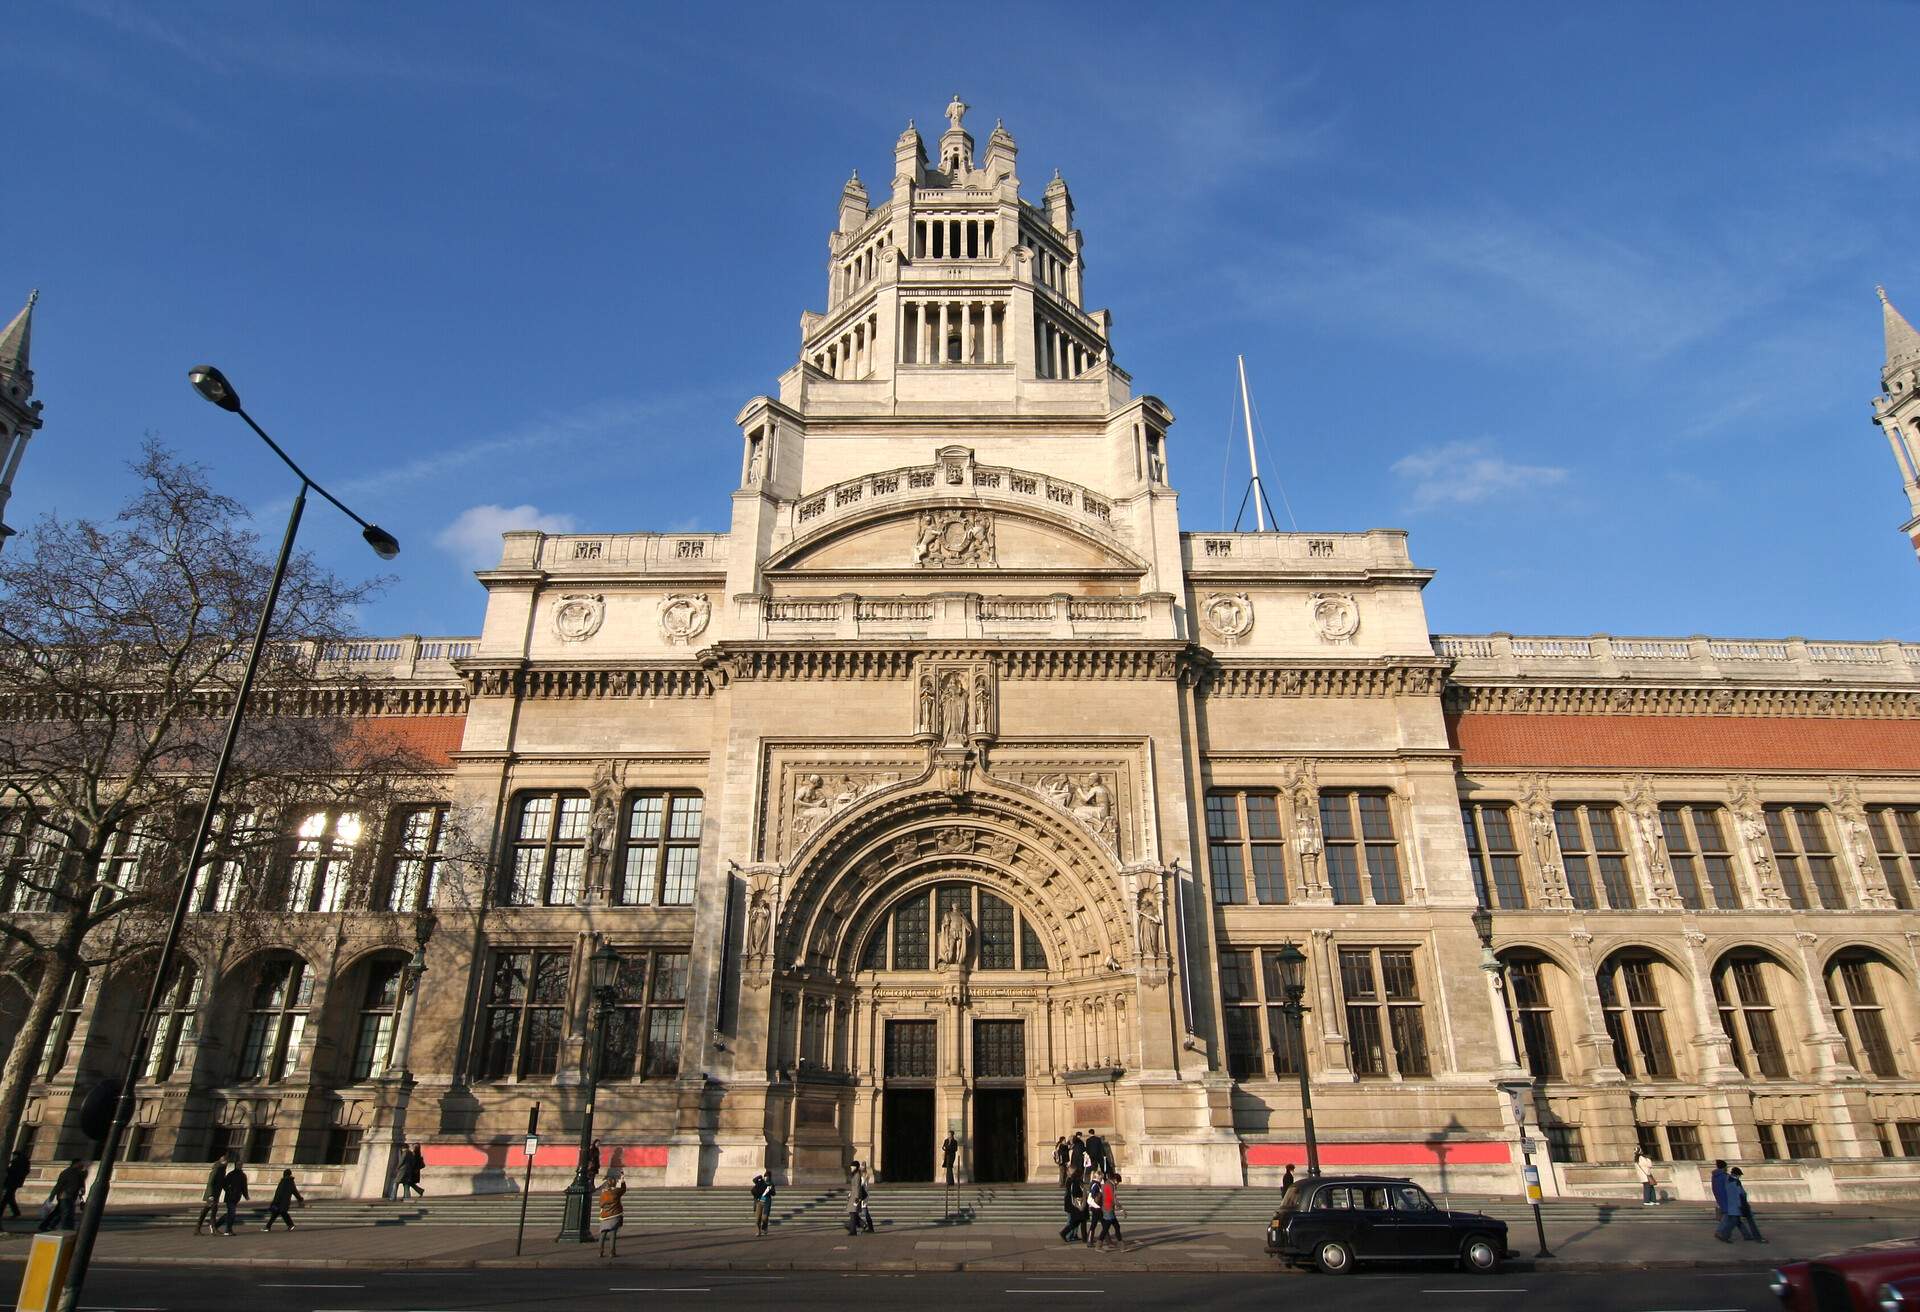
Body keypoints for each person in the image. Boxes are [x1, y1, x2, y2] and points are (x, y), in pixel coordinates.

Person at [1715, 1167, 1765, 1243]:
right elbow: (1741, 1194)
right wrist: (1744, 1206)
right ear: (1737, 1175)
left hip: (1732, 1206)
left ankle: (1746, 1236)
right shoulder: (1736, 1182)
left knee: (1736, 1221)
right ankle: (1758, 1238)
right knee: (1748, 1222)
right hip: (1740, 1206)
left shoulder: (1727, 1181)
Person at [36, 1160, 85, 1232]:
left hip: (70, 1195)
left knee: (58, 1212)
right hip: (64, 1195)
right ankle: (67, 1228)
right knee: (67, 1213)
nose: (82, 1165)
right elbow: (59, 1185)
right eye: (80, 1164)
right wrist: (52, 1195)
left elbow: (80, 1185)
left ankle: (45, 1225)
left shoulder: (78, 1173)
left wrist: (81, 1193)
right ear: (75, 1164)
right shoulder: (67, 1172)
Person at [195, 1157, 229, 1234]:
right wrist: (210, 1195)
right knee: (213, 1210)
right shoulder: (216, 1170)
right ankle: (213, 1228)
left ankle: (198, 1228)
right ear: (222, 1161)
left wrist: (228, 1190)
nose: (227, 1163)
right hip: (212, 1195)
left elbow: (222, 1183)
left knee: (207, 1210)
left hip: (216, 1194)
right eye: (226, 1161)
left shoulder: (222, 1171)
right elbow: (210, 1182)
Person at [597, 1176, 627, 1257]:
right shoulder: (616, 1192)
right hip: (614, 1215)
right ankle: (612, 1252)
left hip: (605, 1216)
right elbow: (623, 1190)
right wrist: (623, 1181)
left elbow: (600, 1204)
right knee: (613, 1234)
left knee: (603, 1234)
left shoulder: (604, 1193)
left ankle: (600, 1252)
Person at [218, 1160, 249, 1236]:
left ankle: (216, 1225)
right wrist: (229, 1190)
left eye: (241, 1164)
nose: (240, 1166)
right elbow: (224, 1184)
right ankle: (228, 1230)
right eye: (238, 1164)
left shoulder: (242, 1175)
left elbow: (244, 1187)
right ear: (235, 1165)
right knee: (232, 1213)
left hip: (236, 1197)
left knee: (229, 1213)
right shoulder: (231, 1174)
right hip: (230, 1197)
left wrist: (246, 1195)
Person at [1097, 1169, 1124, 1249]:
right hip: (1108, 1208)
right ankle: (1099, 1245)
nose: (1118, 1184)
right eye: (1118, 1182)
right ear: (1115, 1180)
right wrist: (1121, 1208)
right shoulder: (1110, 1185)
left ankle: (1121, 1244)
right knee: (1107, 1227)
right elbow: (1113, 1198)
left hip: (1107, 1208)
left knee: (1116, 1226)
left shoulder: (1107, 1184)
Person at [2, 1148, 28, 1221]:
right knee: (9, 1197)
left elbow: (13, 1171)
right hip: (15, 1182)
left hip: (12, 1182)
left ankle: (2, 1212)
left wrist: (7, 1168)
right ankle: (16, 1212)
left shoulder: (18, 1162)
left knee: (6, 1198)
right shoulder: (23, 1162)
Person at [1060, 1173, 1086, 1243]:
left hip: (1078, 1204)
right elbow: (1075, 1195)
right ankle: (1065, 1233)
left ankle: (1069, 1234)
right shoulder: (1076, 1183)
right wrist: (1080, 1203)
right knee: (1078, 1221)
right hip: (1078, 1204)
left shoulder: (1076, 1182)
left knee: (1077, 1222)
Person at [1083, 1173, 1104, 1247]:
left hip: (1095, 1207)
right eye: (1101, 1177)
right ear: (1097, 1177)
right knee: (1104, 1224)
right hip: (1096, 1207)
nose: (1102, 1179)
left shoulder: (1094, 1184)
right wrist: (1098, 1204)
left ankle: (1089, 1240)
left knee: (1094, 1224)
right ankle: (1107, 1241)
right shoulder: (1096, 1185)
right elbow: (1093, 1195)